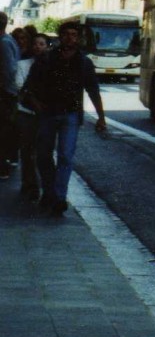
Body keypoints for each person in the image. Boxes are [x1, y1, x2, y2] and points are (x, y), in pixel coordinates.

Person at [23, 20, 107, 216]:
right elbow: (29, 87)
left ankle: (59, 197)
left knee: (65, 156)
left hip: (71, 114)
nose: (70, 38)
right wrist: (36, 104)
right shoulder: (46, 59)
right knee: (43, 155)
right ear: (60, 37)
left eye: (74, 35)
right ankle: (49, 192)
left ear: (78, 38)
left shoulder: (84, 62)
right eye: (66, 34)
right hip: (48, 114)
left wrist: (101, 117)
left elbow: (93, 90)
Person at [15, 33, 49, 200]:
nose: (38, 47)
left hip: (45, 115)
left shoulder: (52, 66)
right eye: (35, 43)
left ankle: (43, 186)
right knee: (27, 150)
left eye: (42, 44)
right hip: (26, 113)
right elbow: (19, 85)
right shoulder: (22, 65)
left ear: (47, 47)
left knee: (43, 152)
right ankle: (29, 184)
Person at [0, 13, 19, 180]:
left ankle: (3, 167)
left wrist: (4, 89)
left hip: (5, 94)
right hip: (9, 93)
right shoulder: (8, 40)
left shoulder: (4, 43)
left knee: (3, 131)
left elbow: (9, 70)